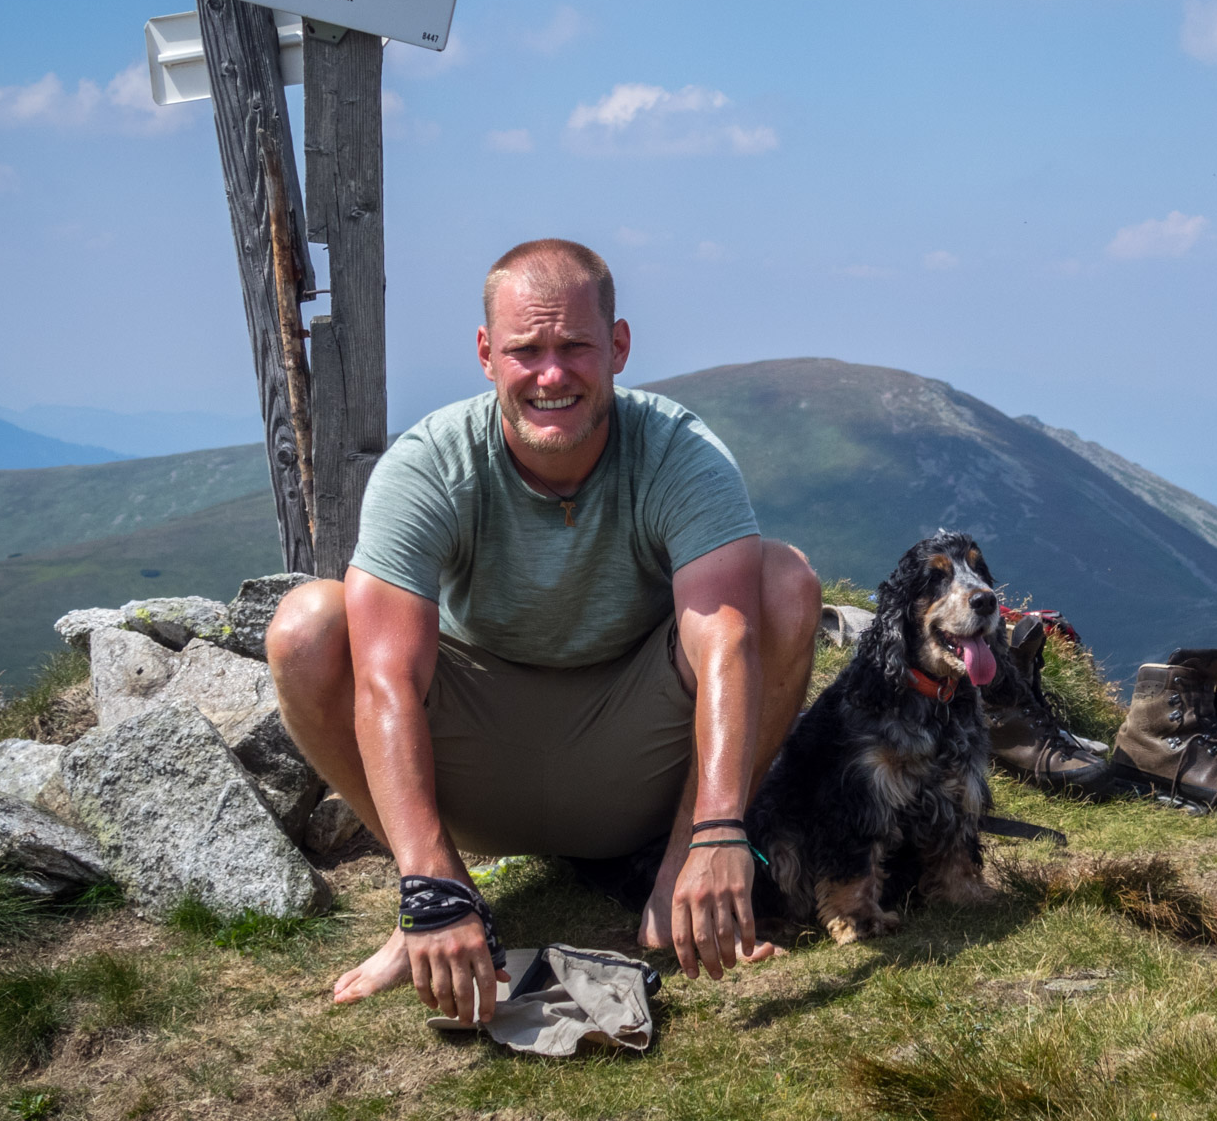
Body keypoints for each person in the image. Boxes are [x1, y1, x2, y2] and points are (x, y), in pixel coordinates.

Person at [266, 238, 821, 1025]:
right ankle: (432, 900)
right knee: (307, 628)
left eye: (576, 347)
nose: (551, 374)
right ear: (488, 354)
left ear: (619, 347)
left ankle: (675, 884)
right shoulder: (430, 464)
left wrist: (719, 829)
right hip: (475, 758)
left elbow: (725, 639)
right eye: (526, 350)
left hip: (639, 753)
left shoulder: (680, 453)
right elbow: (386, 677)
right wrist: (428, 883)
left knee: (783, 580)